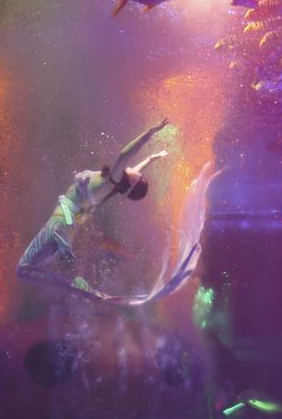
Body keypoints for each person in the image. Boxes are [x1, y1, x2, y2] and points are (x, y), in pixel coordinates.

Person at [15, 118, 170, 300]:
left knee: (24, 269)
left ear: (133, 181)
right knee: (34, 267)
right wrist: (151, 159)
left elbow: (125, 154)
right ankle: (83, 288)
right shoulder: (114, 184)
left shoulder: (112, 180)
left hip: (62, 221)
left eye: (139, 175)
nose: (137, 170)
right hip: (67, 221)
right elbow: (134, 169)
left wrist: (151, 132)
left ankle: (83, 289)